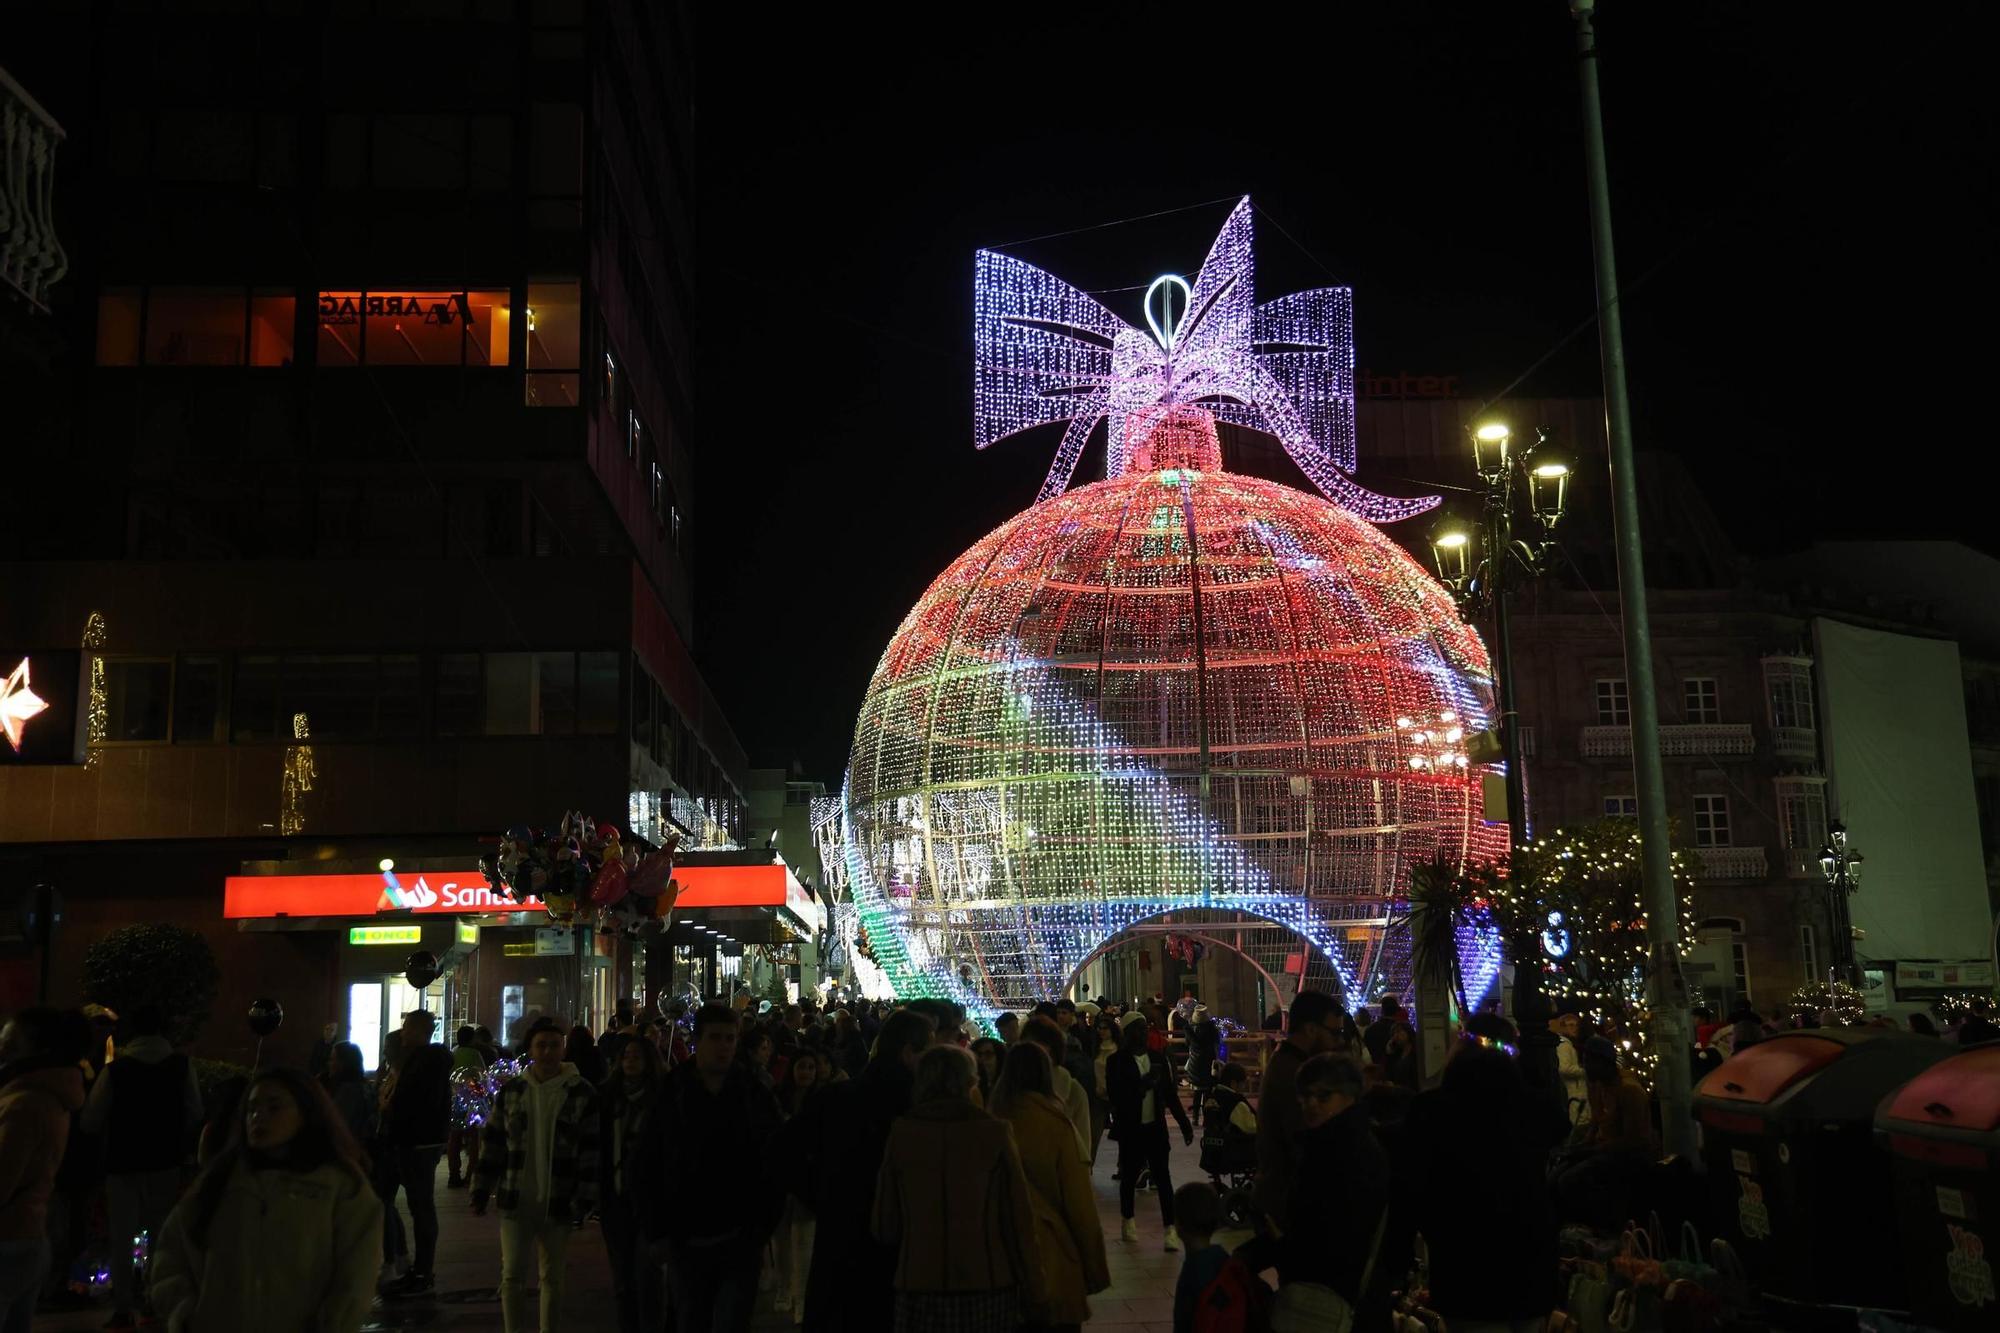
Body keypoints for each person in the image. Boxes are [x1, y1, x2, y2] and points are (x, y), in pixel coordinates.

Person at [147, 1067, 380, 1333]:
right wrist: (186, 1313)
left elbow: (357, 1273)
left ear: (306, 1112)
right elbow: (171, 1253)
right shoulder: (218, 1182)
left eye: (274, 1107)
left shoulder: (340, 1186)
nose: (259, 1117)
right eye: (252, 1108)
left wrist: (334, 1323)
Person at [873, 1044, 1045, 1332]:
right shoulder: (994, 1133)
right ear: (970, 1082)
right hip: (986, 1279)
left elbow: (884, 1224)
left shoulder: (902, 1134)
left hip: (918, 1282)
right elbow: (1018, 1219)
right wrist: (1035, 1288)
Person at [1397, 1038, 1564, 1330]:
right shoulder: (1526, 1112)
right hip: (1530, 1259)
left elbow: (1410, 1188)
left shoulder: (1433, 1113)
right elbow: (1558, 1124)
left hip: (1464, 1263)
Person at [795, 1009, 936, 1331]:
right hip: (893, 1250)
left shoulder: (836, 1097)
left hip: (839, 1246)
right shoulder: (913, 1109)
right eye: (926, 1051)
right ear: (908, 1052)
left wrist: (821, 1195)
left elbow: (784, 1152)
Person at [653, 1004, 784, 1332]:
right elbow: (649, 1158)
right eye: (716, 1038)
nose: (724, 1046)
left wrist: (761, 1226)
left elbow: (774, 1160)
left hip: (739, 1236)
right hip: (687, 1235)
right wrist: (657, 1228)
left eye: (730, 1038)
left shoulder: (752, 1093)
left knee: (731, 1321)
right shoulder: (674, 1091)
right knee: (691, 1319)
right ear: (698, 1040)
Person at [474, 1017, 602, 1333]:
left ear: (564, 1048)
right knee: (512, 1275)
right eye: (541, 1045)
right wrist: (481, 1186)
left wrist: (586, 1195)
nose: (547, 1052)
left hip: (560, 1198)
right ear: (530, 1049)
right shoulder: (513, 1091)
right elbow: (494, 1141)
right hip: (516, 1198)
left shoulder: (580, 1091)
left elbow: (590, 1146)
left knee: (553, 1277)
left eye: (554, 1044)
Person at [84, 1004, 202, 1329]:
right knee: (160, 1233)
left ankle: (123, 1306)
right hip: (166, 1160)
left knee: (122, 1235)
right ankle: (154, 1299)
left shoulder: (116, 1071)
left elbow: (91, 1120)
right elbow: (194, 1111)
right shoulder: (181, 1066)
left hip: (122, 1162)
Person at [988, 1044, 1108, 1332]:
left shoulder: (990, 1121)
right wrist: (1093, 1268)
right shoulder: (1055, 1125)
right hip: (1051, 1254)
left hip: (1000, 1257)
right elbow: (1080, 1205)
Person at [1274, 1054, 1390, 1324]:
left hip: (1335, 1297)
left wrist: (1283, 1248)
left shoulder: (1342, 1153)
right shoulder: (1333, 1145)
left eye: (1323, 1096)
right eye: (1305, 1097)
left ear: (1349, 1096)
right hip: (1347, 1297)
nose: (1311, 1104)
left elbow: (1332, 1232)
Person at [0, 1007, 89, 1331]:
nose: (1, 1049)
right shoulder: (51, 1097)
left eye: (10, 1042)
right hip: (30, 1235)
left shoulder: (23, 1104)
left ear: (35, 1049)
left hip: (6, 1239)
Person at [1250, 989, 1344, 1244]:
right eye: (1334, 1033)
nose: (1338, 1042)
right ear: (1312, 1029)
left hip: (1283, 1197)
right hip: (1289, 1204)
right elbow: (1304, 1142)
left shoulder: (1287, 1064)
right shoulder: (1295, 1074)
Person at [1106, 1011, 1195, 1250]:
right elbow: (1117, 1096)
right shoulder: (1116, 1062)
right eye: (1138, 1028)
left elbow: (1169, 1095)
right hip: (1131, 1129)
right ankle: (1128, 1219)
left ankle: (1170, 1228)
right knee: (1129, 1176)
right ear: (1127, 1033)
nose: (1144, 1032)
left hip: (1155, 1128)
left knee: (1163, 1177)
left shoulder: (1157, 1058)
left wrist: (1184, 1123)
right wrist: (1143, 1084)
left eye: (1145, 1028)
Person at [598, 1030, 667, 1333]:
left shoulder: (661, 1100)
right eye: (625, 1056)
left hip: (651, 1201)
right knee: (622, 1277)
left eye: (636, 1056)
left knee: (648, 1275)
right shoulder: (608, 1098)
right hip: (615, 1197)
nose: (630, 1061)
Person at [379, 1018, 453, 1297]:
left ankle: (421, 1270)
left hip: (418, 1143)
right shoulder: (419, 1060)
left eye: (408, 1027)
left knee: (421, 1207)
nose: (404, 1032)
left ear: (422, 1030)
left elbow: (420, 1102)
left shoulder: (427, 1062)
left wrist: (392, 1108)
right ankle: (411, 1264)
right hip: (411, 1141)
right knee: (411, 1204)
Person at [1551, 1037, 1655, 1227]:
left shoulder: (1628, 1090)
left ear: (1605, 1063)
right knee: (1556, 1173)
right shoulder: (1598, 1086)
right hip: (1604, 1149)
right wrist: (1581, 1145)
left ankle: (1599, 1227)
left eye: (1589, 1061)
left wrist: (1592, 1150)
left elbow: (1634, 1140)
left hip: (1630, 1155)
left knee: (1570, 1179)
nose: (1585, 1067)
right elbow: (1596, 1122)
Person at [1172, 1182, 1252, 1333]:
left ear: (1178, 1225)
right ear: (1216, 1224)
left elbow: (1183, 1323)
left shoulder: (1191, 1273)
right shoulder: (1225, 1261)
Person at [1020, 1019, 1091, 1161]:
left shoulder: (1072, 1090)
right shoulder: (1011, 1085)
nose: (1033, 1050)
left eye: (1040, 1044)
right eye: (1028, 1045)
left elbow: (1082, 1146)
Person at [1198, 1061, 1259, 1182]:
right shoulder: (1234, 1101)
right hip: (1234, 1152)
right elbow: (1251, 1127)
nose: (1243, 1087)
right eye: (1242, 1084)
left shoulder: (1211, 1096)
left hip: (1211, 1151)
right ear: (1234, 1083)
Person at [447, 1025, 489, 1189]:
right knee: (474, 1139)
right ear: (472, 1039)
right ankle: (470, 1175)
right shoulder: (475, 1054)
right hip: (472, 1101)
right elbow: (482, 1076)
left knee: (454, 1139)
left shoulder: (453, 1052)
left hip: (454, 1099)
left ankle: (453, 1175)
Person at [322, 1040, 377, 1150]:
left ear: (343, 1063)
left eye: (333, 1059)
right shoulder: (363, 1085)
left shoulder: (349, 1091)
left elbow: (338, 1124)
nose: (329, 1063)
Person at [1552, 1001, 1592, 1127]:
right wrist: (1584, 1071)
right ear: (1562, 1027)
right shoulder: (1563, 1045)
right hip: (1573, 1091)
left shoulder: (1570, 1043)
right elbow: (1564, 1068)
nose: (1574, 1028)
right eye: (1570, 1025)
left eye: (1576, 1025)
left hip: (1576, 1091)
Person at [1185, 1016, 1221, 1125]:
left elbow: (1187, 1043)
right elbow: (1217, 1043)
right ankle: (1207, 1118)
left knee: (1197, 1092)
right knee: (1207, 1093)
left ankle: (1195, 1117)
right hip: (1208, 1062)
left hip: (1195, 1063)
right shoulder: (1212, 1029)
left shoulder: (1191, 1029)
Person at [1363, 996, 1408, 1066]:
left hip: (1377, 1070)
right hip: (1398, 1069)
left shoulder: (1370, 1030)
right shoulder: (1402, 1031)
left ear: (1382, 1011)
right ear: (1396, 1011)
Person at [970, 1037, 1005, 1103]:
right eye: (979, 1054)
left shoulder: (1006, 1087)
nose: (983, 1058)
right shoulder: (971, 1088)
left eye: (988, 1054)